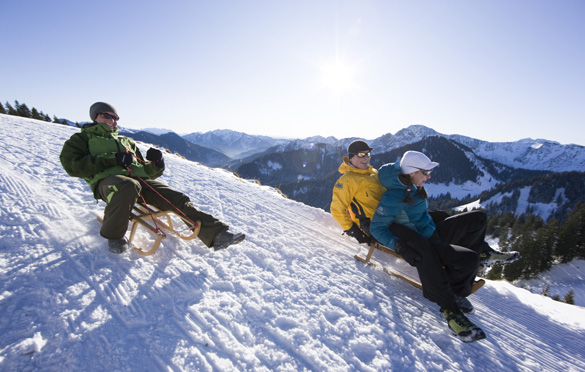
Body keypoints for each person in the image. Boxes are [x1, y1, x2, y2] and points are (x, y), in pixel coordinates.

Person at [60, 102, 245, 254]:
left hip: (138, 182)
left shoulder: (126, 142)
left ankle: (217, 234)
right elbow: (72, 166)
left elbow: (146, 172)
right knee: (127, 186)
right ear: (95, 117)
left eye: (115, 117)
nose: (112, 120)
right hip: (108, 182)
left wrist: (156, 163)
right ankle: (114, 236)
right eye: (106, 116)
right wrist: (110, 160)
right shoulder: (81, 139)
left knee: (176, 198)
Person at [370, 151, 487, 342]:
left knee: (478, 218)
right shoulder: (394, 196)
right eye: (425, 172)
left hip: (433, 232)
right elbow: (377, 227)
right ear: (411, 172)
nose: (429, 176)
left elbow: (421, 214)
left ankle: (467, 263)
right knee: (469, 260)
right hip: (425, 242)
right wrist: (398, 245)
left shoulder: (412, 186)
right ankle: (451, 309)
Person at [330, 140, 386, 244]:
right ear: (351, 158)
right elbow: (337, 209)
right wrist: (353, 231)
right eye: (361, 155)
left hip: (389, 215)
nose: (366, 158)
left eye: (368, 154)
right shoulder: (347, 180)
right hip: (372, 224)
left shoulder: (373, 173)